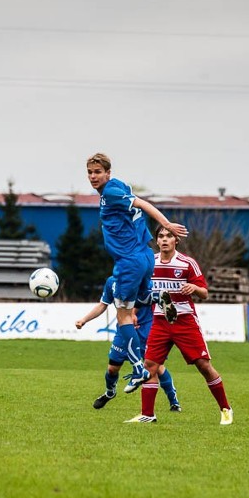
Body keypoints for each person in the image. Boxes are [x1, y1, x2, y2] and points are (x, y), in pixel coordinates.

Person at [86, 152, 188, 393]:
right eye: (90, 172)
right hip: (144, 255)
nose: (93, 177)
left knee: (123, 316)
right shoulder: (118, 187)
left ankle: (138, 368)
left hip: (128, 261)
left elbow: (142, 203)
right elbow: (135, 200)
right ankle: (156, 296)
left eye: (97, 172)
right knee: (142, 299)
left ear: (107, 173)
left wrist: (166, 225)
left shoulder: (111, 192)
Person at [125, 226, 233, 425]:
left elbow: (205, 293)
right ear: (156, 241)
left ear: (176, 241)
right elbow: (142, 293)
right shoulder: (149, 263)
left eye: (169, 236)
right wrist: (133, 313)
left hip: (185, 321)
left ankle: (225, 409)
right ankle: (147, 414)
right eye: (161, 236)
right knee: (150, 366)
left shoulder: (187, 263)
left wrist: (194, 288)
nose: (164, 240)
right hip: (160, 321)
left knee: (204, 366)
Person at [76, 275, 181, 411]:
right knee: (112, 369)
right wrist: (84, 320)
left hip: (145, 327)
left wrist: (132, 313)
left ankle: (174, 402)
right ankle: (110, 392)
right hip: (123, 328)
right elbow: (103, 304)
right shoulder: (112, 281)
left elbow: (142, 299)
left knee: (156, 367)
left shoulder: (142, 278)